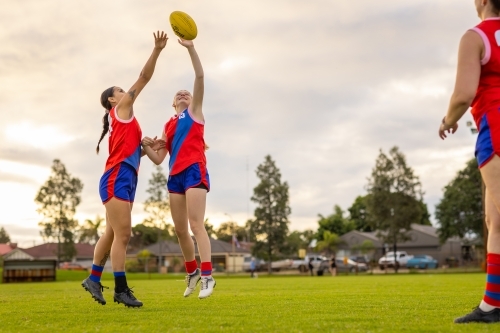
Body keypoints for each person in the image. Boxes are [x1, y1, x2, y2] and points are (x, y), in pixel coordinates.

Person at [81, 31, 168, 308]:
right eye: (119, 90)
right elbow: (143, 77)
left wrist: (145, 146)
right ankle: (120, 289)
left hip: (126, 177)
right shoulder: (122, 108)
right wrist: (156, 50)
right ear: (112, 101)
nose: (124, 91)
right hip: (117, 177)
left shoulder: (125, 119)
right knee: (124, 235)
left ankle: (93, 279)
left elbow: (140, 154)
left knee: (110, 234)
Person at [439, 0, 500, 323]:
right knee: (495, 222)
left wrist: (448, 120)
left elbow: (463, 94)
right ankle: (493, 305)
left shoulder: (476, 36)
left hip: (497, 124)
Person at [143, 37, 215, 299]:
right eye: (178, 94)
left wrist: (190, 47)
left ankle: (207, 276)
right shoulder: (168, 125)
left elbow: (200, 75)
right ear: (173, 104)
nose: (183, 93)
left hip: (194, 170)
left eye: (187, 92)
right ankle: (192, 271)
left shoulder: (195, 112)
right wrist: (145, 144)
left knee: (196, 225)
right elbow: (158, 158)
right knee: (180, 230)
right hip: (174, 176)